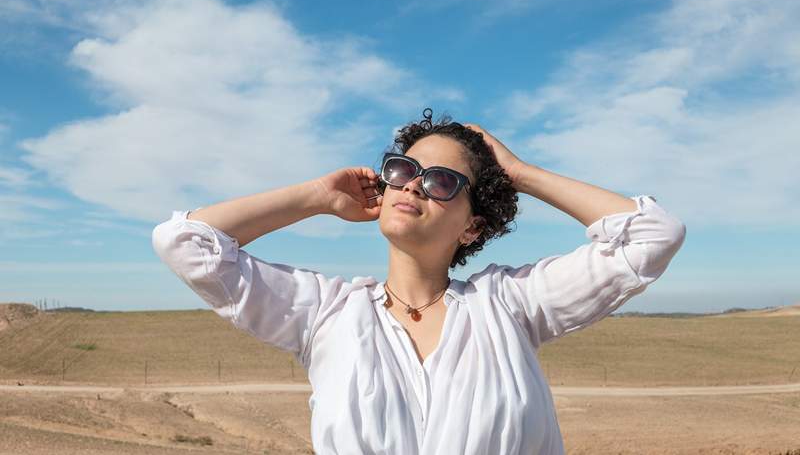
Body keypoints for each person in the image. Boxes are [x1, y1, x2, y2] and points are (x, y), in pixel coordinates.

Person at [151, 108, 687, 454]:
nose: (414, 186)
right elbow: (187, 244)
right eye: (403, 171)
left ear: (473, 226)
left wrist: (519, 173)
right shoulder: (326, 314)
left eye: (442, 180)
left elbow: (651, 235)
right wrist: (315, 196)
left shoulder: (511, 307)